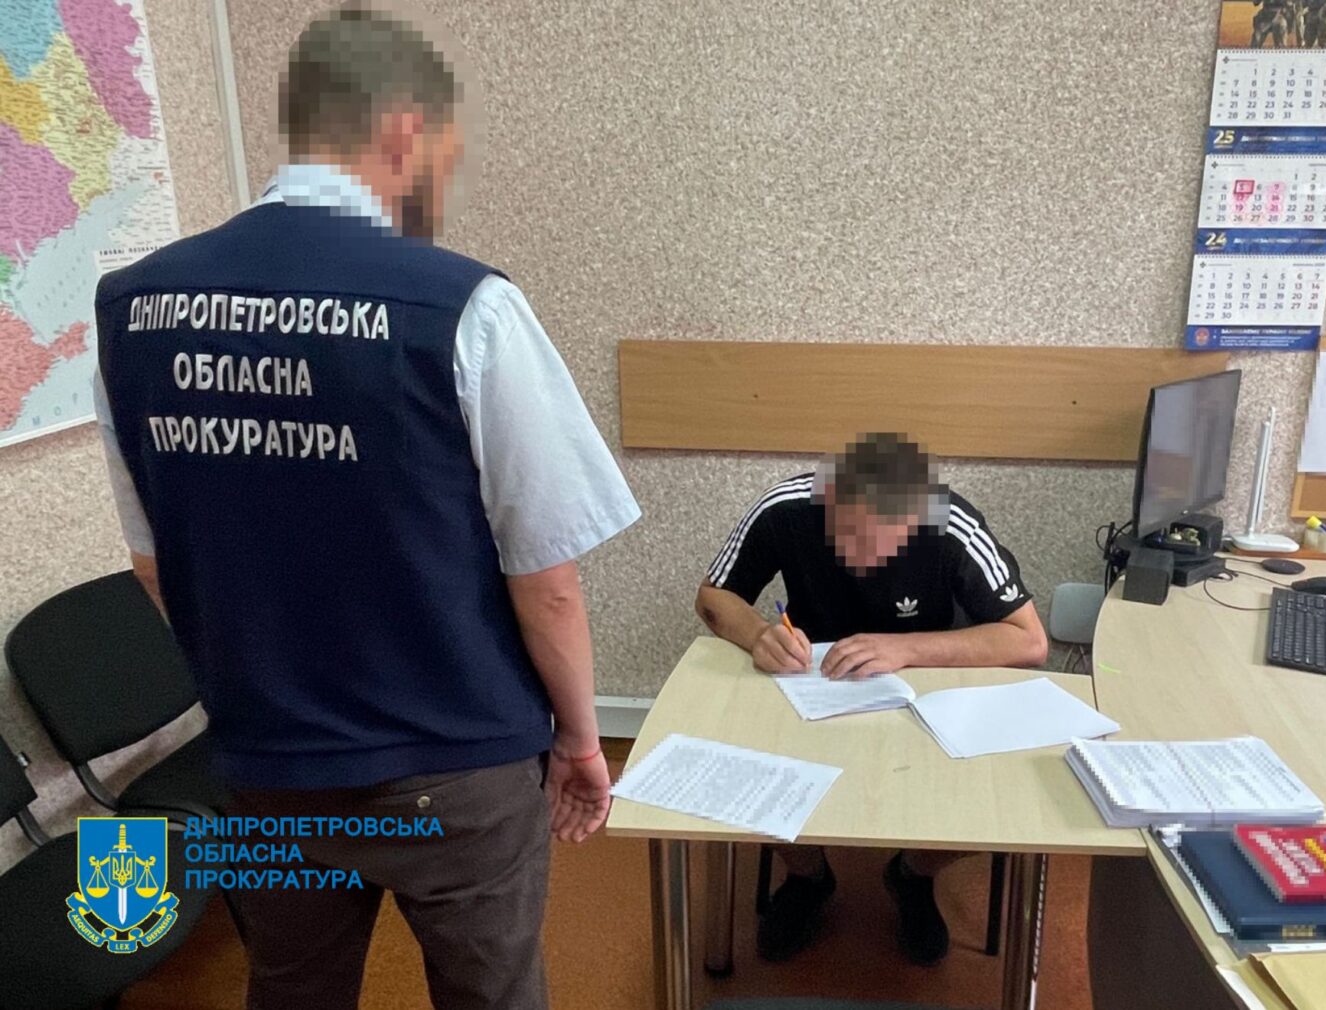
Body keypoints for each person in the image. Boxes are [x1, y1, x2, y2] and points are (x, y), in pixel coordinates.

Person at [92, 6, 639, 1009]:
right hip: (457, 764)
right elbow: (548, 582)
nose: (442, 179)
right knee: (491, 994)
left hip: (266, 760)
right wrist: (578, 741)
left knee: (293, 989)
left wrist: (262, 693)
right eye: (445, 155)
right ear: (403, 128)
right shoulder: (462, 306)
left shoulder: (133, 309)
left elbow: (156, 566)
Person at [694, 433, 1048, 965]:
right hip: (812, 684)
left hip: (923, 690)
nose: (864, 556)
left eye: (884, 538)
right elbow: (714, 595)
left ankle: (913, 873)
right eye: (849, 533)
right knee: (743, 763)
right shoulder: (785, 508)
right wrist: (758, 634)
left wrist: (905, 648)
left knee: (997, 801)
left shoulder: (952, 523)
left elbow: (1029, 640)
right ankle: (808, 876)